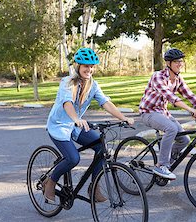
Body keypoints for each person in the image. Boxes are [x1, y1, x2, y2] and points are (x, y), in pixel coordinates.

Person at [44, 47, 134, 203]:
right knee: (73, 158)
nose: (90, 69)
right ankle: (50, 182)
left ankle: (94, 186)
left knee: (101, 146)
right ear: (78, 66)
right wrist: (76, 119)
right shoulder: (67, 82)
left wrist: (124, 117)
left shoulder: (93, 85)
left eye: (92, 66)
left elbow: (105, 102)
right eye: (86, 66)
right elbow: (67, 103)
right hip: (59, 126)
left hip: (75, 125)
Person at [139, 48, 196, 180]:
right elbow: (171, 97)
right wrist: (190, 110)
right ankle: (161, 165)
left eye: (181, 61)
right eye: (176, 61)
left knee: (184, 139)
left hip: (163, 113)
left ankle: (168, 163)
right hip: (148, 112)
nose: (180, 64)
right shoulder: (158, 76)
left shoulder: (178, 79)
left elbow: (192, 96)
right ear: (168, 63)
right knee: (171, 128)